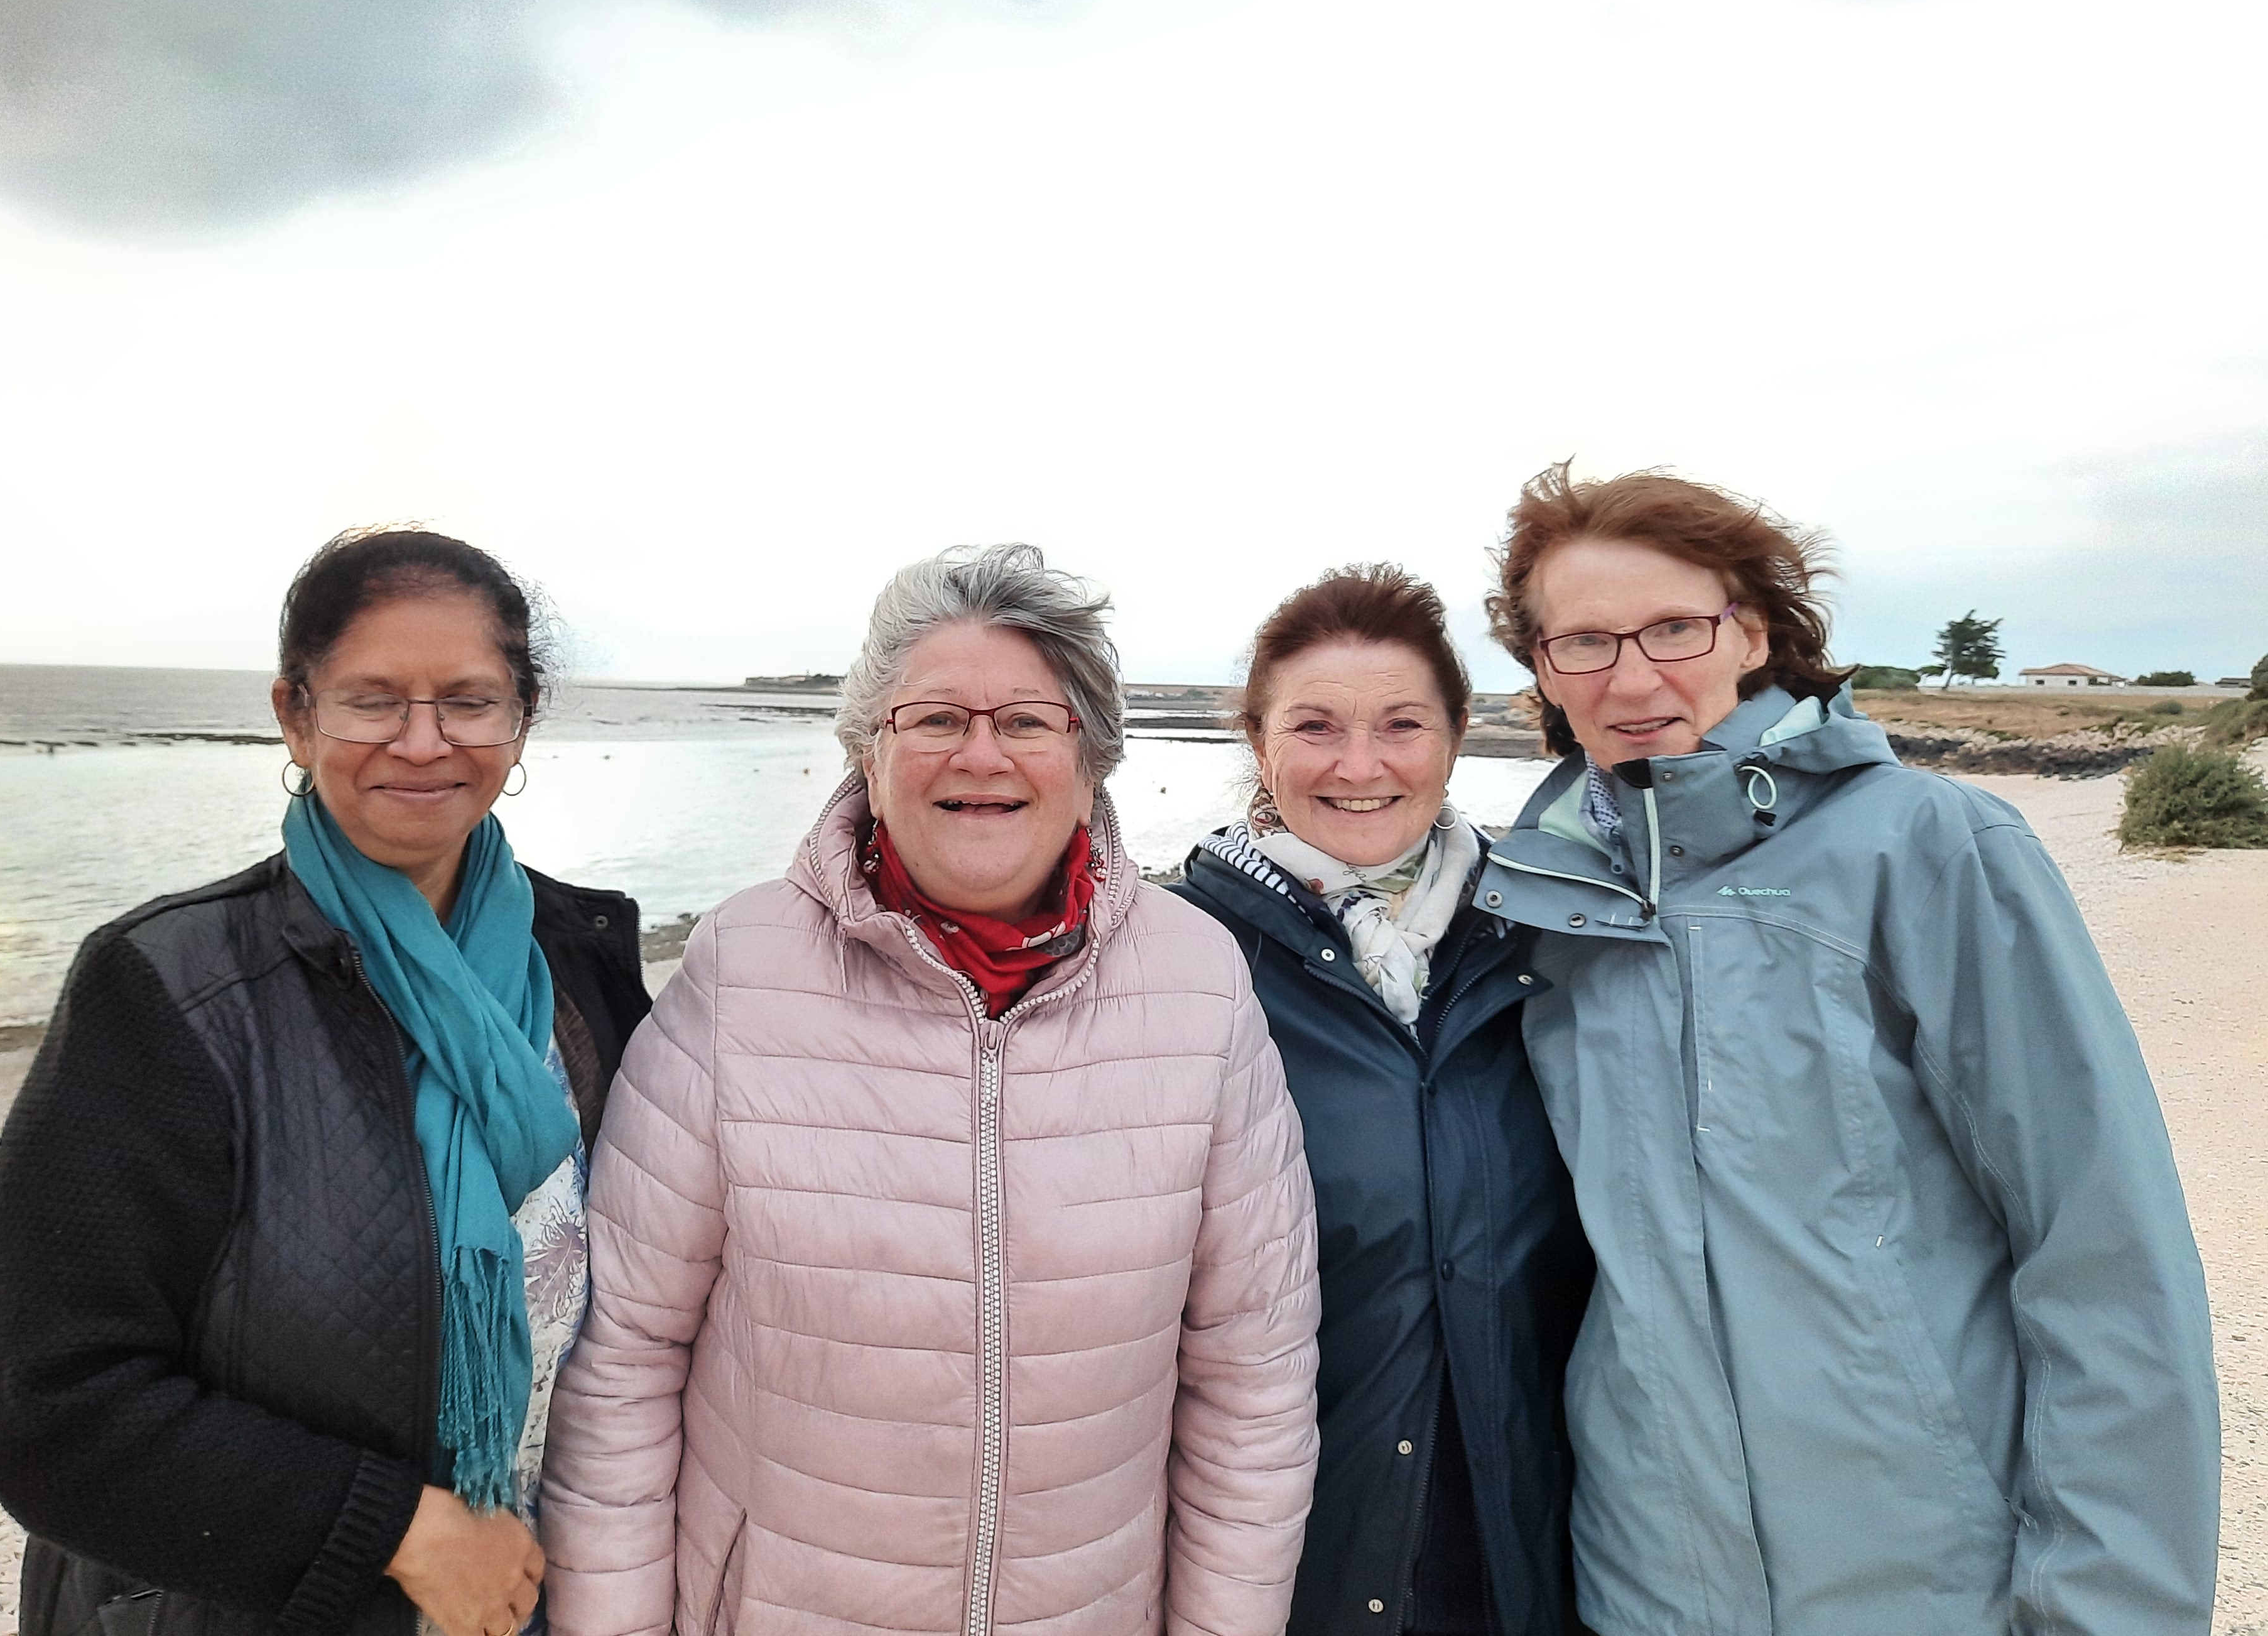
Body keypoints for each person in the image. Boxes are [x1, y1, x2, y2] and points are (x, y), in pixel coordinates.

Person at [1475, 464, 2220, 1635]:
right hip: (1644, 1579)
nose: (1632, 676)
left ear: (1752, 631)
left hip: (1925, 1575)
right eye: (1584, 642)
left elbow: (2104, 1250)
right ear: (1544, 669)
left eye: (1673, 627)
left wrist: (2107, 1606)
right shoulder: (1537, 898)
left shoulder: (1929, 843)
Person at [538, 542, 1321, 1636]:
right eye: (937, 718)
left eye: (1028, 721)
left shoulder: (1199, 981)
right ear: (870, 751)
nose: (981, 754)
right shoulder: (741, 968)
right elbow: (624, 1358)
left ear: (1090, 760)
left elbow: (1253, 1381)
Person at [0, 528, 651, 1636]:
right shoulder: (170, 990)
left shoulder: (580, 965)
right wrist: (398, 1532)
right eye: (373, 700)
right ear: (297, 715)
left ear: (521, 721)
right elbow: (58, 1410)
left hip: (542, 1591)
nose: (423, 742)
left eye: (469, 702)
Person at [1169, 566, 1588, 1636]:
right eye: (1315, 727)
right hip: (1278, 1564)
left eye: (1402, 724)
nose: (1360, 767)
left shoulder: (1556, 938)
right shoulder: (1172, 959)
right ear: (1259, 742)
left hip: (1522, 1553)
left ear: (1456, 735)